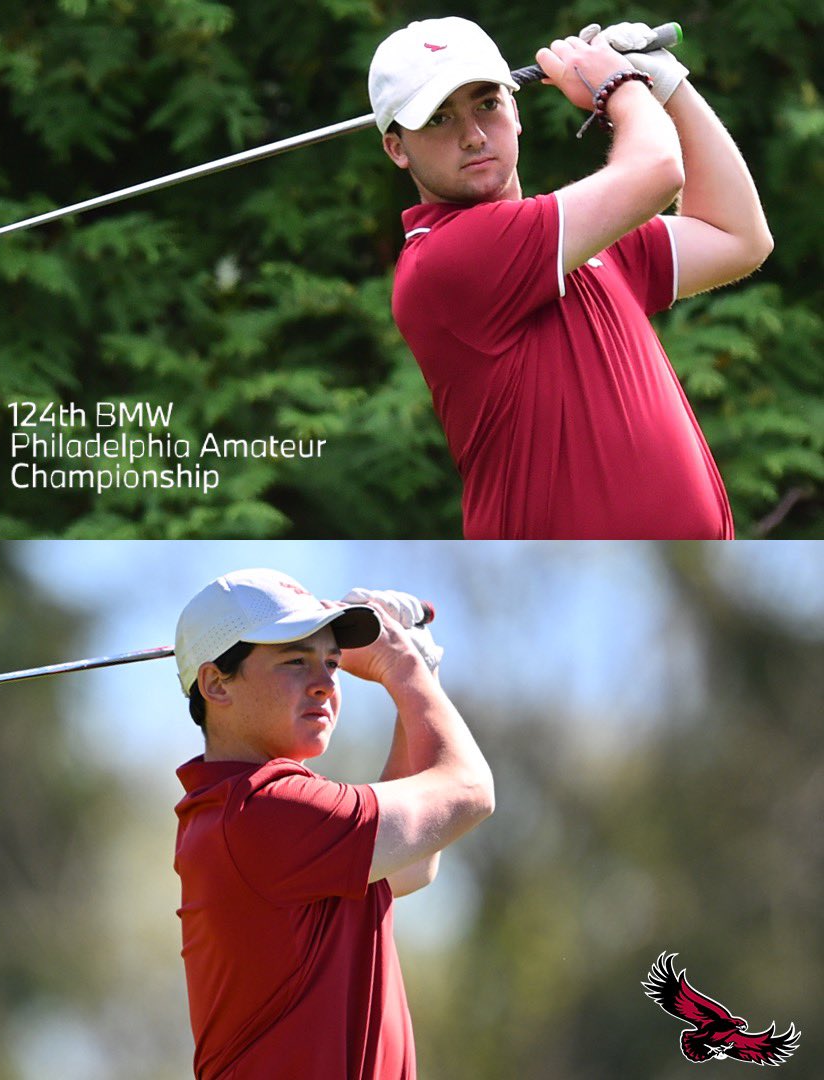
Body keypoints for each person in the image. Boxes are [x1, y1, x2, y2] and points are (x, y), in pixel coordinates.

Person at [367, 18, 773, 539]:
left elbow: (738, 237)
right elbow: (657, 171)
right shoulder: (445, 259)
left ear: (515, 111)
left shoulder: (579, 240)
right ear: (397, 148)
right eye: (440, 119)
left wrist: (669, 84)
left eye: (486, 104)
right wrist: (621, 87)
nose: (471, 136)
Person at [172, 569, 494, 1078]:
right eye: (295, 661)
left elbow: (409, 865)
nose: (324, 683)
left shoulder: (248, 813)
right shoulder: (259, 811)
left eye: (331, 662)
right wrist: (401, 665)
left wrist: (420, 673)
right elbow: (470, 790)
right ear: (215, 683)